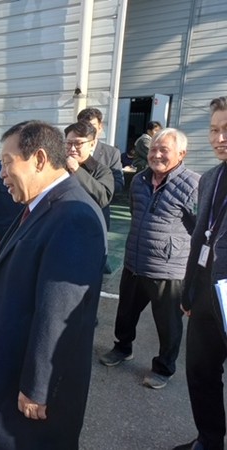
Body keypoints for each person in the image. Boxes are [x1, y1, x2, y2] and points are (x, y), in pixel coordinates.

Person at [0, 120, 107, 449]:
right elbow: (5, 260)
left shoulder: (73, 216)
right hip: (10, 364)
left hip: (31, 380)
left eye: (8, 162)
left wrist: (39, 386)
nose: (1, 174)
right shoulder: (39, 206)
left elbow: (61, 313)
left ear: (39, 159)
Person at [99, 128, 199, 390]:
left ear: (181, 154)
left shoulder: (193, 185)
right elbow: (136, 212)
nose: (156, 154)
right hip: (134, 261)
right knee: (126, 314)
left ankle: (164, 367)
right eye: (153, 149)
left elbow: (200, 230)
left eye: (163, 150)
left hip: (168, 269)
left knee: (168, 324)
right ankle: (122, 348)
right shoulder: (140, 180)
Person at [174, 97, 227, 450]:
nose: (219, 137)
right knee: (200, 372)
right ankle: (208, 441)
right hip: (208, 293)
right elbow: (199, 239)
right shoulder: (210, 177)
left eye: (226, 130)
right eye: (214, 129)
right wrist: (189, 291)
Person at [77, 107, 125, 273]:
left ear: (100, 127)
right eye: (83, 126)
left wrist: (101, 184)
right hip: (73, 211)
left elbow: (118, 184)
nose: (89, 130)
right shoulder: (69, 151)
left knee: (96, 260)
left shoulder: (111, 154)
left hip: (99, 211)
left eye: (92, 126)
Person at [64, 121, 115, 209]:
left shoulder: (102, 171)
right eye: (69, 143)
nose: (72, 149)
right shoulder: (58, 167)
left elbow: (103, 198)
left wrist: (77, 170)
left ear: (92, 144)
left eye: (78, 143)